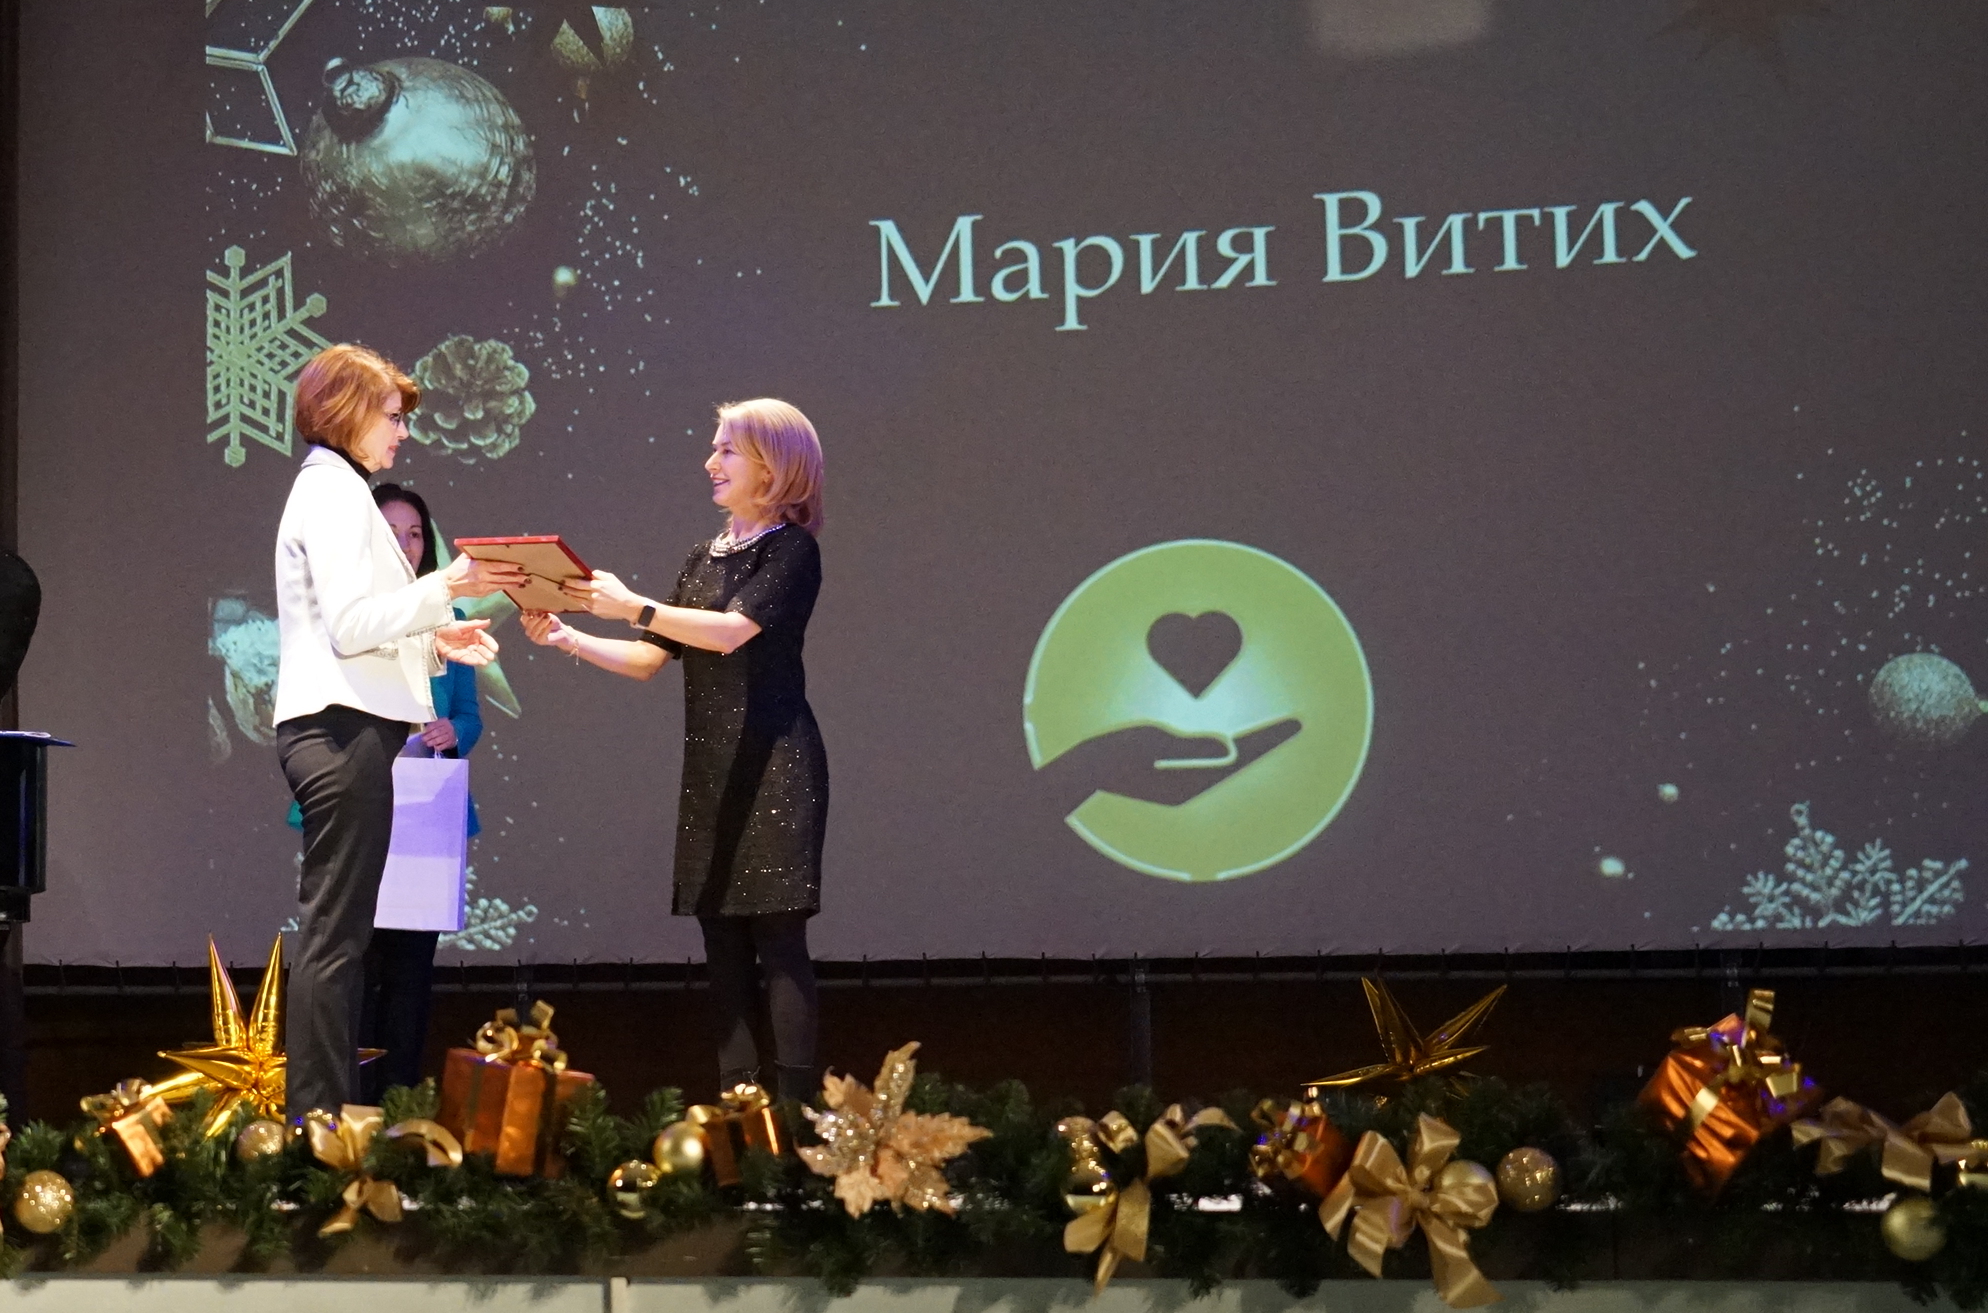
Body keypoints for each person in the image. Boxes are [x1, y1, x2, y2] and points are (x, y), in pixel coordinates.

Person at [521, 398, 827, 1102]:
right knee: (722, 949)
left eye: (726, 449)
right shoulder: (702, 556)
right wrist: (568, 637)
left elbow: (731, 632)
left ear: (772, 465)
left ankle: (796, 1121)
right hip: (714, 772)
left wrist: (632, 604)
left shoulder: (790, 550)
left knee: (778, 943)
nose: (710, 461)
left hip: (775, 768)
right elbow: (649, 658)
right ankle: (738, 1112)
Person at [273, 343, 526, 1120]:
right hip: (340, 734)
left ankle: (322, 1117)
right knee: (336, 939)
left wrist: (435, 642)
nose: (402, 432)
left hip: (350, 729)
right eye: (391, 415)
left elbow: (358, 628)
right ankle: (317, 1122)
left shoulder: (339, 489)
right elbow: (351, 627)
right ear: (347, 411)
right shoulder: (333, 491)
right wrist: (449, 583)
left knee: (341, 936)